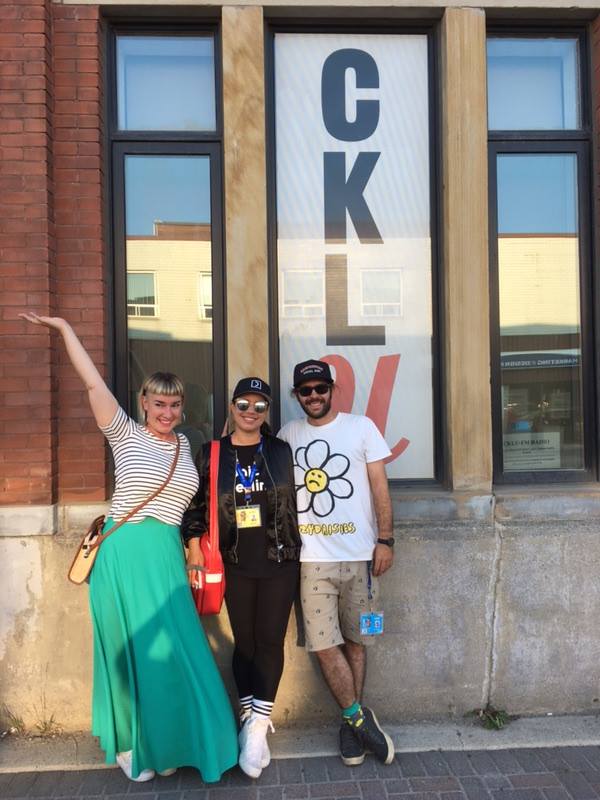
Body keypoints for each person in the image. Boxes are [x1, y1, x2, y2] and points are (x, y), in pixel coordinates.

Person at [19, 313, 238, 783]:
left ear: (183, 408)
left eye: (174, 404)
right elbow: (93, 383)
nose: (166, 411)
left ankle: (179, 740)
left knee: (181, 655)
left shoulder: (187, 445)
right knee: (128, 653)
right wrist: (64, 329)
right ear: (143, 402)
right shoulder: (125, 434)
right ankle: (129, 745)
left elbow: (192, 510)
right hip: (123, 557)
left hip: (165, 559)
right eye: (158, 402)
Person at [182, 377, 301, 779]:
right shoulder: (211, 453)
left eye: (259, 406)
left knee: (269, 640)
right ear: (231, 408)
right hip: (232, 561)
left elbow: (299, 505)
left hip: (279, 559)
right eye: (243, 404)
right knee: (244, 643)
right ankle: (252, 716)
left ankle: (255, 728)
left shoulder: (281, 451)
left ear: (267, 412)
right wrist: (194, 545)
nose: (250, 412)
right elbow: (195, 506)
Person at [278, 359, 395, 767]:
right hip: (311, 563)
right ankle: (359, 719)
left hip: (362, 561)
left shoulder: (362, 428)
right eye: (305, 391)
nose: (313, 396)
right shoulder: (287, 435)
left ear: (332, 390)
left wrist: (385, 540)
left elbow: (380, 488)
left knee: (358, 642)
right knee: (325, 646)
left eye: (319, 389)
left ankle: (351, 728)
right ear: (297, 396)